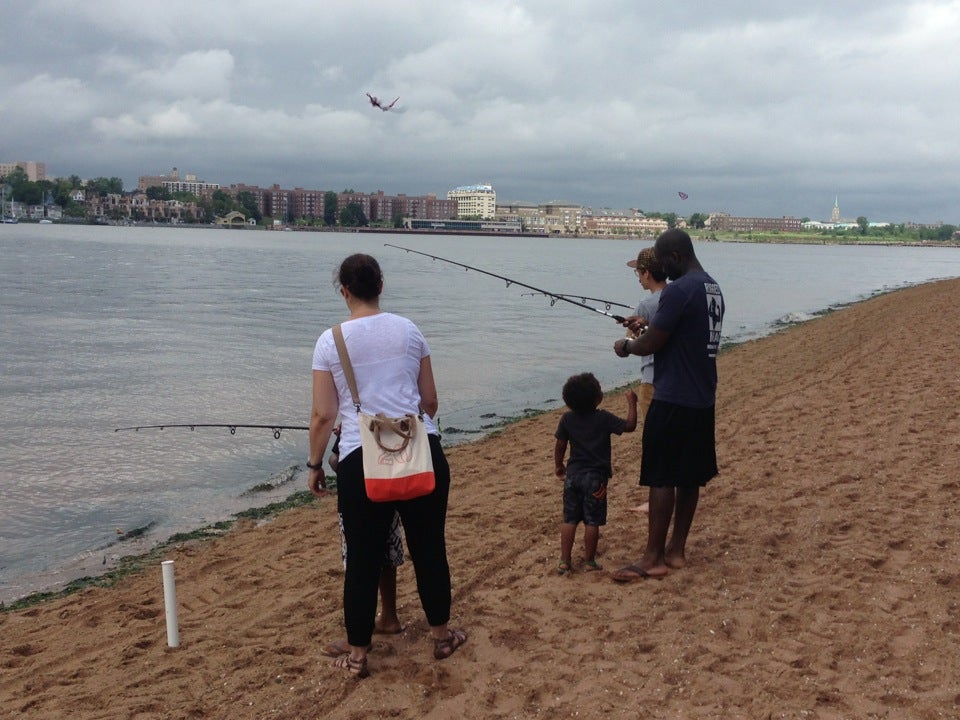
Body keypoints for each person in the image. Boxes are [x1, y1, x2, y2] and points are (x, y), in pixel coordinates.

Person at [308, 253, 467, 678]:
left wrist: (314, 463)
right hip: (422, 451)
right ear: (381, 285)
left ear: (344, 291)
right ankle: (441, 636)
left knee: (363, 558)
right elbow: (429, 401)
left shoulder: (331, 341)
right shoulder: (409, 330)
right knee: (430, 549)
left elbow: (324, 415)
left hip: (363, 460)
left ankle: (359, 655)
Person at [611, 229, 724, 581]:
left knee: (661, 476)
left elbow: (650, 346)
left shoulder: (678, 289)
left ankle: (652, 558)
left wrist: (626, 346)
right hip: (702, 395)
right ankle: (676, 551)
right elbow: (682, 330)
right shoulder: (712, 288)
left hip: (672, 394)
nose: (662, 270)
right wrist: (649, 325)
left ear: (675, 256)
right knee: (689, 477)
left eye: (663, 262)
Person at [321, 427, 407, 658]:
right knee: (388, 550)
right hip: (390, 482)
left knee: (359, 560)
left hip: (359, 491)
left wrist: (315, 464)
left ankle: (359, 638)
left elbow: (337, 461)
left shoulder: (353, 414)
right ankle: (389, 617)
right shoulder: (390, 405)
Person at [554, 372, 638, 574]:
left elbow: (560, 445)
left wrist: (559, 465)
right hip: (596, 478)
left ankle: (565, 560)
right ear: (598, 398)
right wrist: (632, 403)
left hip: (573, 476)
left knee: (569, 519)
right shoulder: (603, 418)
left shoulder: (567, 419)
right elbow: (630, 426)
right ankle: (589, 561)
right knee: (592, 521)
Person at [622, 246, 669, 418]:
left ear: (647, 273)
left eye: (638, 273)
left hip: (651, 379)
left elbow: (629, 341)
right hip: (674, 379)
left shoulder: (645, 304)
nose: (639, 278)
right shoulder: (677, 296)